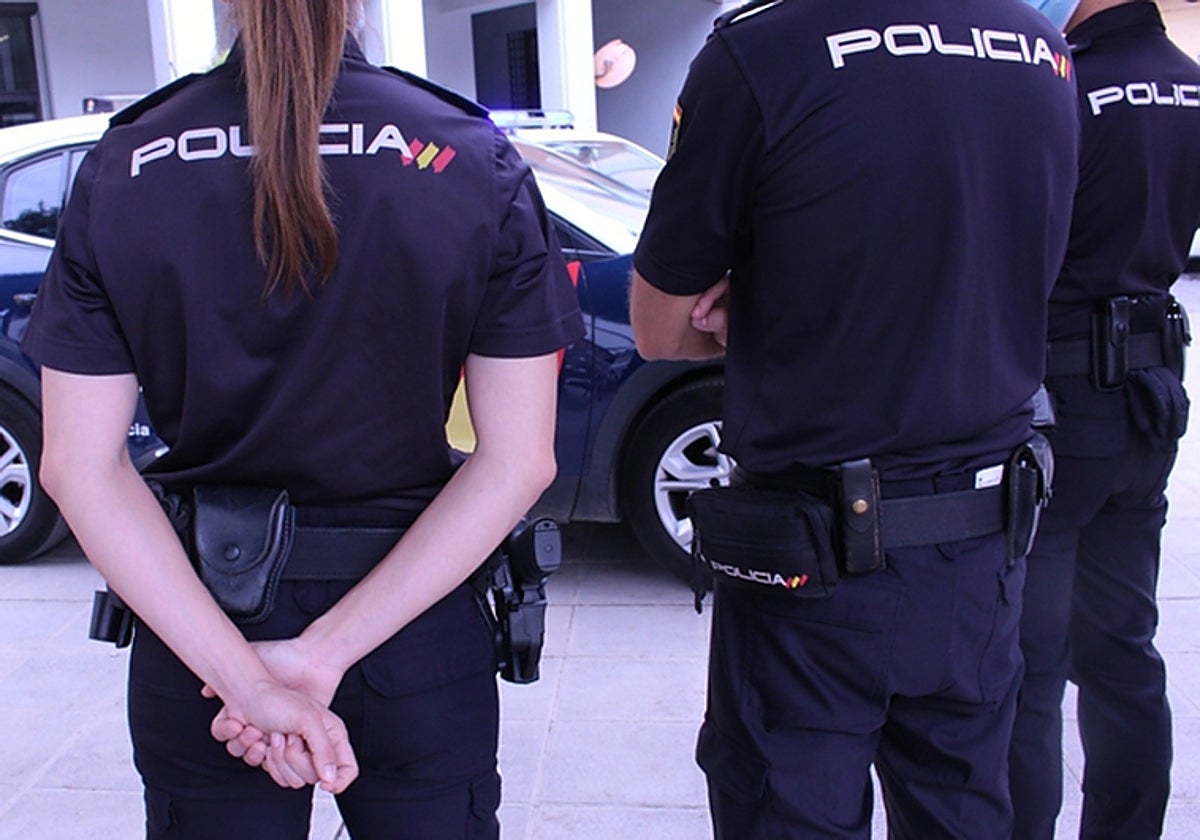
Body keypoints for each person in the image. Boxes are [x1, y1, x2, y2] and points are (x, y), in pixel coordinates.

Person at [21, 0, 583, 837]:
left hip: (204, 635)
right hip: (413, 631)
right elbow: (518, 461)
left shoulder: (126, 162)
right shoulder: (467, 155)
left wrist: (248, 681)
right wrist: (321, 657)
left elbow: (79, 466)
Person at [631, 0, 1079, 837]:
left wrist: (763, 304)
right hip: (981, 549)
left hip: (814, 570)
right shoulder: (1042, 51)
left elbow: (659, 329)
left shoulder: (762, 51)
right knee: (963, 812)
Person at [1008, 2, 1200, 837]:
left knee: (1031, 663)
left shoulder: (1060, 81)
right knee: (1123, 647)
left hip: (1059, 394)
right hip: (1150, 392)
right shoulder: (1193, 87)